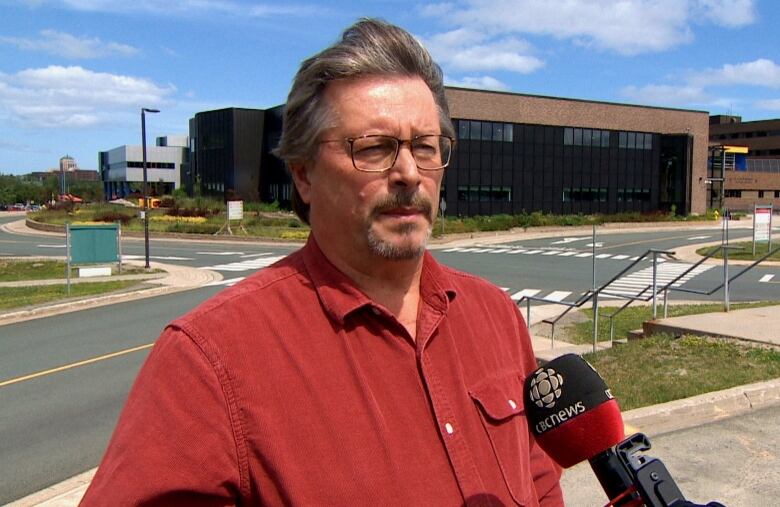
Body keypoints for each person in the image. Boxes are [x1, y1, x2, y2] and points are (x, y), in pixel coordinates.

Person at [80, 18, 563, 506]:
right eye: (374, 147)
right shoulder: (210, 360)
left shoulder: (495, 315)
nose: (409, 173)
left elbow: (540, 481)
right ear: (304, 175)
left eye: (425, 146)